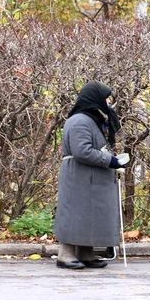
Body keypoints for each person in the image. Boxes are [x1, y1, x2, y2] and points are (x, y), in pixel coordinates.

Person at [53, 80, 125, 269]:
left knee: (88, 215)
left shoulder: (90, 120)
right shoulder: (79, 121)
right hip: (78, 177)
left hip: (88, 177)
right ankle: (65, 254)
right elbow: (82, 151)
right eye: (106, 98)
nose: (109, 102)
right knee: (74, 214)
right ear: (95, 99)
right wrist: (110, 160)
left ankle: (85, 252)